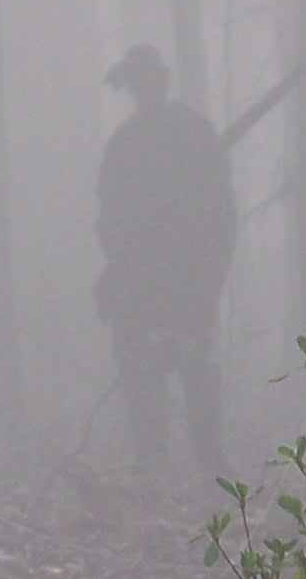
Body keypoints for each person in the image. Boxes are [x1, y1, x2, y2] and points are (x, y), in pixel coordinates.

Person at [94, 43, 235, 478]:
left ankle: (211, 476)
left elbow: (222, 220)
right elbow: (110, 221)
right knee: (143, 381)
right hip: (142, 287)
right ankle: (154, 471)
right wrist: (118, 273)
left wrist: (209, 283)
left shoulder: (194, 135)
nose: (146, 92)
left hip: (188, 284)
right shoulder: (126, 144)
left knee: (196, 377)